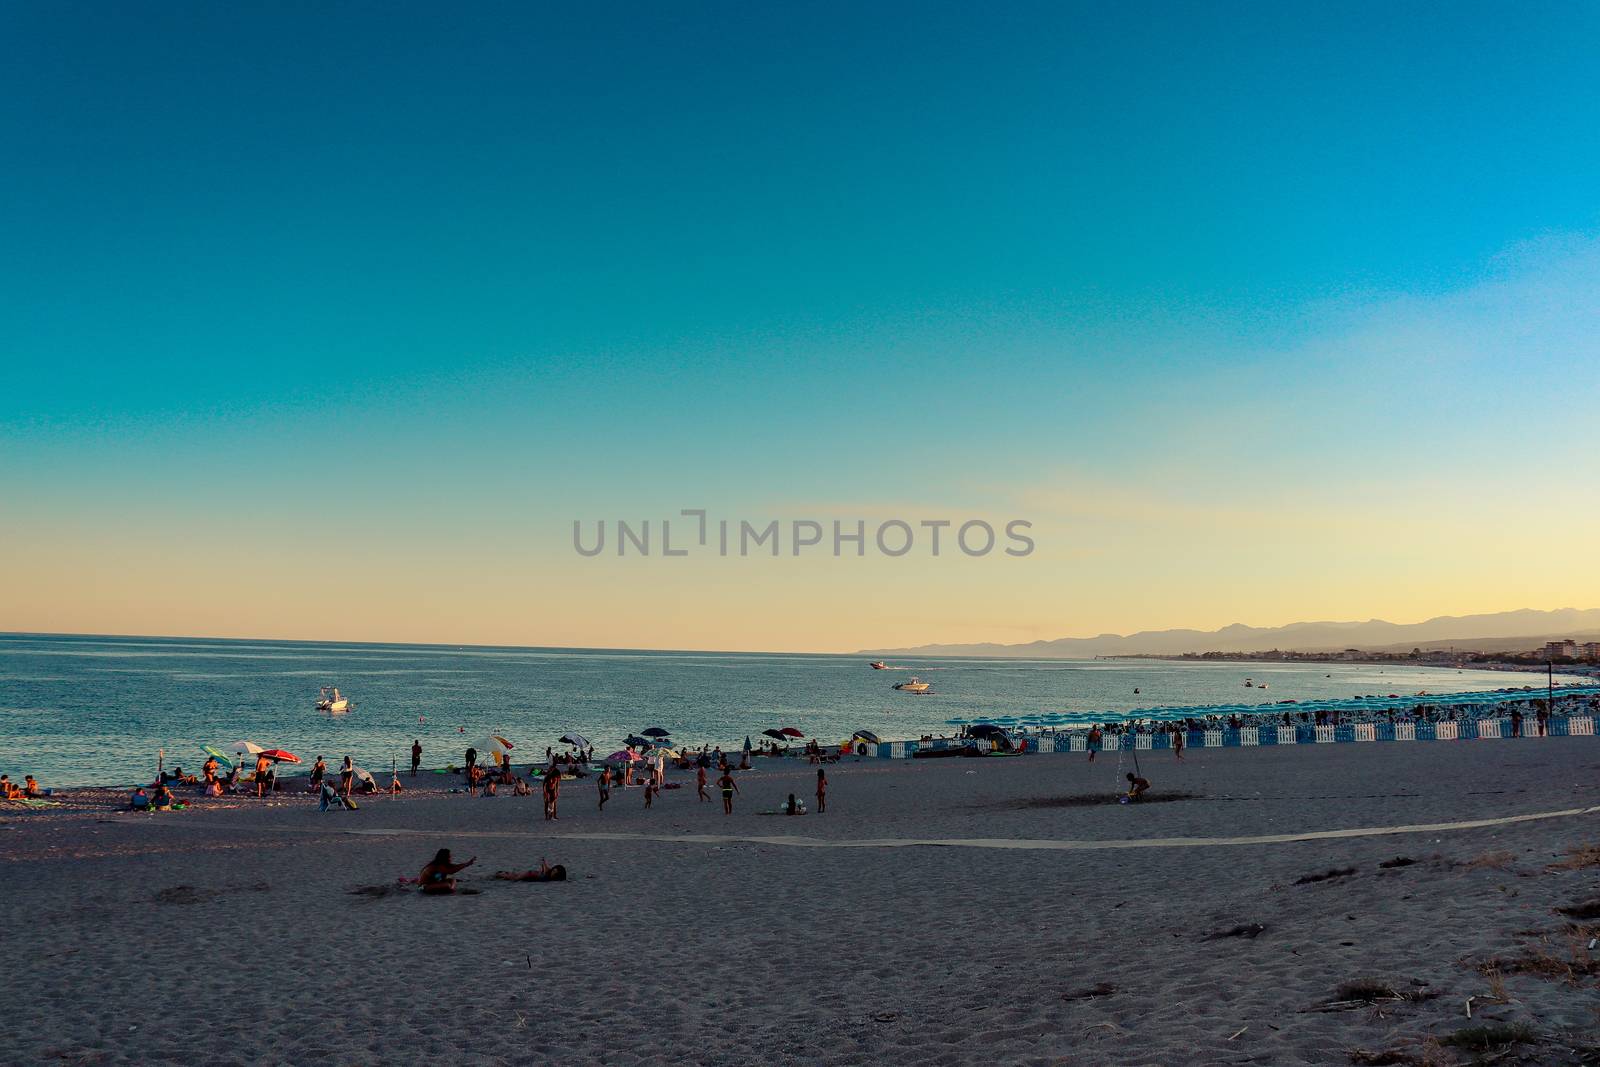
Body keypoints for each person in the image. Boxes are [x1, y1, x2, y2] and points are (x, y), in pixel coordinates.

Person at [493, 858, 567, 882]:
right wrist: (544, 863)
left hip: (527, 875)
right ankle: (501, 874)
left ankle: (500, 875)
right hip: (528, 874)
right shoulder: (548, 875)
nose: (553, 872)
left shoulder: (546, 878)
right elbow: (547, 869)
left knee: (513, 877)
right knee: (513, 875)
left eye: (554, 872)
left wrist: (544, 864)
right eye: (554, 870)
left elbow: (545, 871)